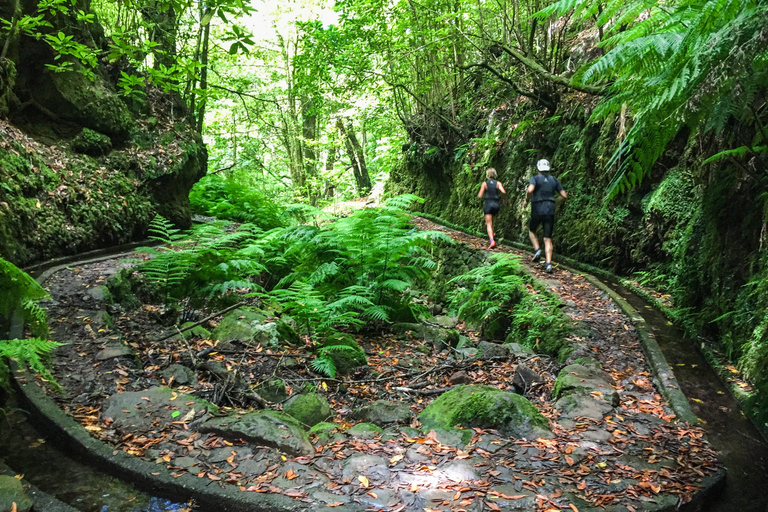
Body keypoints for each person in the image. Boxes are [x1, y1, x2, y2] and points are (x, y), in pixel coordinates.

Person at [526, 159, 567, 273]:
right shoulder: (554, 180)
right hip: (550, 210)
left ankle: (537, 250)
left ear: (538, 168)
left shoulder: (534, 179)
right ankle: (548, 264)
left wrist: (527, 199)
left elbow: (530, 190)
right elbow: (564, 195)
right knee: (547, 238)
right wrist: (555, 202)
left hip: (537, 208)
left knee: (532, 230)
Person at [478, 167, 506, 249]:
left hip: (488, 204)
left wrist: (483, 195)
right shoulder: (498, 183)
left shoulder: (484, 184)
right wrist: (504, 198)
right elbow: (503, 192)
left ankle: (492, 241)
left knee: (489, 224)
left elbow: (480, 195)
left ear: (487, 174)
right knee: (492, 220)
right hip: (496, 204)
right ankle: (492, 233)